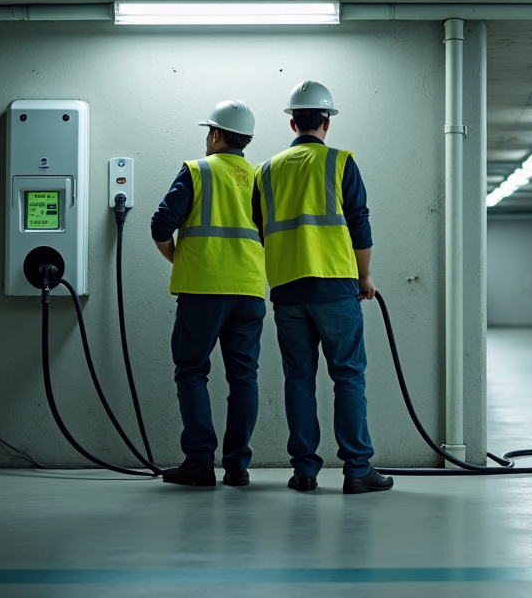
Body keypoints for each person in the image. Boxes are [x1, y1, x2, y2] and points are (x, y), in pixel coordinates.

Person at [254, 80, 392, 494]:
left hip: (288, 290)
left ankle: (305, 471)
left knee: (298, 379)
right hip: (334, 285)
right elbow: (359, 223)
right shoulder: (340, 162)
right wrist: (364, 275)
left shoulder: (267, 169)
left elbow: (261, 227)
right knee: (348, 376)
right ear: (326, 123)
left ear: (293, 122)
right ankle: (356, 470)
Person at [150, 99, 266, 487]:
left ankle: (199, 463)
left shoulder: (197, 171)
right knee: (244, 377)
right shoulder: (261, 178)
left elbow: (161, 224)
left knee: (191, 371)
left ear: (215, 134)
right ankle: (237, 467)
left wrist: (180, 260)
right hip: (250, 291)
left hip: (202, 288)